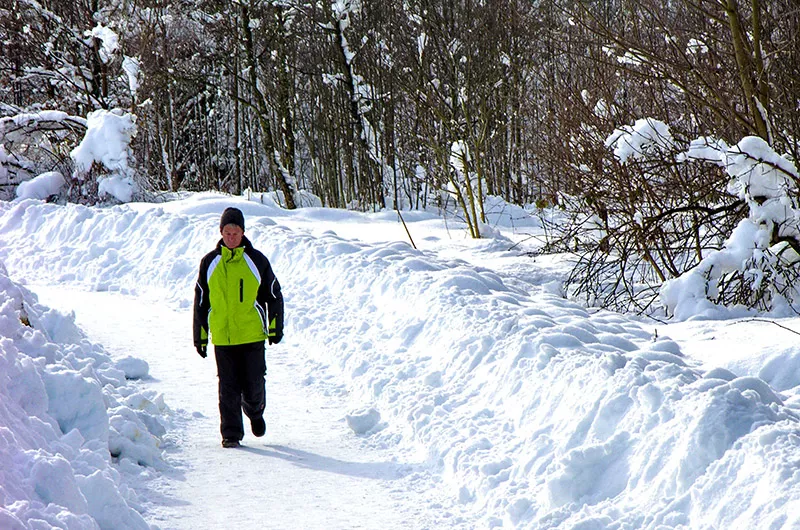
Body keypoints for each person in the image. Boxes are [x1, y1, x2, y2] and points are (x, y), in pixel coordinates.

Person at [193, 207, 284, 448]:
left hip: (252, 334)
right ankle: (231, 435)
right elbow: (201, 302)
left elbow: (274, 295)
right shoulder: (209, 263)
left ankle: (254, 411)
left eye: (235, 232)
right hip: (223, 337)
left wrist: (275, 328)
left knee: (254, 384)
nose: (231, 237)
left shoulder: (257, 261)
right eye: (227, 232)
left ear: (243, 232)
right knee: (227, 388)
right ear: (221, 232)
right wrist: (200, 337)